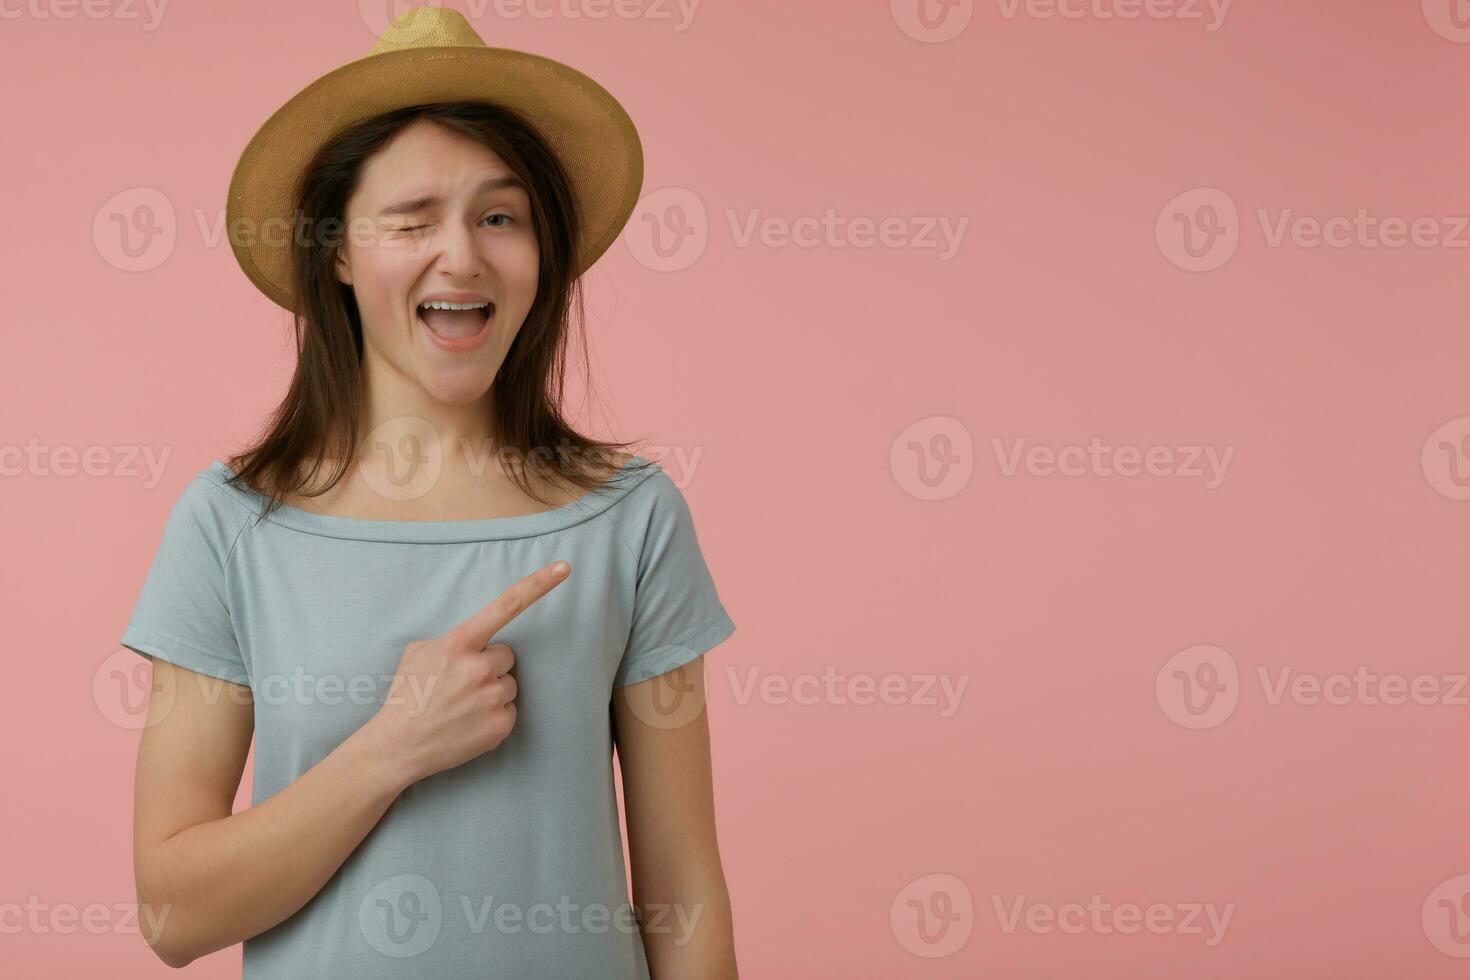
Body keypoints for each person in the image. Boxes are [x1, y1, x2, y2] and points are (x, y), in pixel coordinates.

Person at [120, 8, 738, 978]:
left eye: (501, 216)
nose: (463, 255)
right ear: (336, 251)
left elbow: (685, 888)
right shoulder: (231, 525)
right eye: (412, 218)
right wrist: (394, 745)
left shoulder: (633, 519)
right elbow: (171, 910)